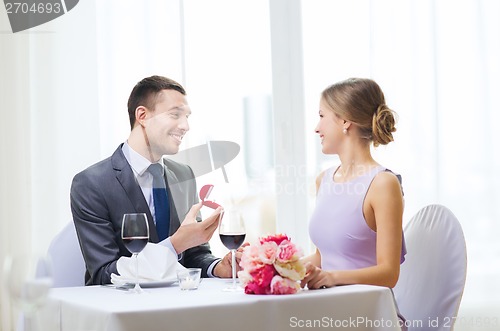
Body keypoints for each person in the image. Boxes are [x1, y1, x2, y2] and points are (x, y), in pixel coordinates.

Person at [71, 75, 235, 285]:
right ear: (142, 116)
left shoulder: (184, 175)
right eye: (175, 115)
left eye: (187, 117)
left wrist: (218, 267)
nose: (185, 126)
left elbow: (194, 256)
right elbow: (104, 273)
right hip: (125, 308)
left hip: (179, 306)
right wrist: (174, 245)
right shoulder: (91, 184)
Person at [301, 77, 407, 290]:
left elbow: (389, 273)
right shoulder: (324, 180)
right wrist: (276, 268)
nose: (316, 128)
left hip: (366, 312)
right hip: (328, 306)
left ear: (345, 121)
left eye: (322, 116)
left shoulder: (383, 184)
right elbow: (323, 257)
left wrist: (331, 278)